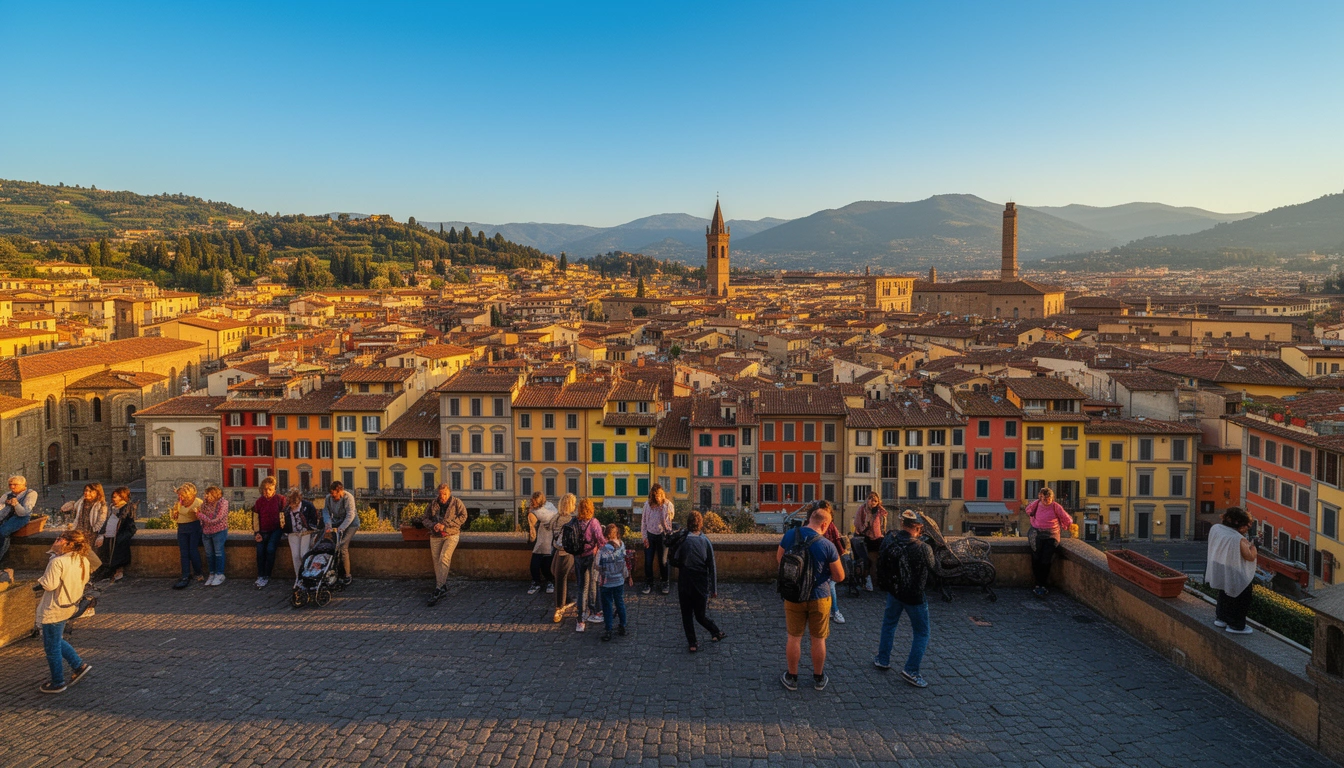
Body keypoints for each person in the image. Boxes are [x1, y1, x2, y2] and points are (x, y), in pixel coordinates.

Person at [777, 501, 844, 691]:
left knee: (794, 637)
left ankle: (792, 677)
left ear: (809, 519)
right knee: (818, 639)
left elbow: (779, 560)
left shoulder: (790, 535)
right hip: (819, 597)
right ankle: (818, 677)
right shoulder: (827, 545)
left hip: (793, 595)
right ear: (824, 525)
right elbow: (840, 576)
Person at [873, 509, 937, 688]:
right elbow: (934, 568)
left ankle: (883, 659)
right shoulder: (923, 548)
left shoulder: (890, 539)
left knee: (889, 624)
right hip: (914, 596)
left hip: (894, 591)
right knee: (922, 633)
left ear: (903, 524)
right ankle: (911, 670)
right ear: (919, 528)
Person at [35, 530, 94, 693]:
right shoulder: (82, 560)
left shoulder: (57, 562)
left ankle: (58, 682)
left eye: (60, 539)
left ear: (68, 543)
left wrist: (40, 580)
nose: (56, 540)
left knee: (51, 647)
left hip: (54, 608)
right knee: (55, 640)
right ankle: (78, 665)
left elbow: (49, 585)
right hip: (69, 606)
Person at [677, 510, 725, 652]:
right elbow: (712, 567)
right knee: (700, 615)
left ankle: (692, 642)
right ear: (701, 524)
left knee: (686, 615)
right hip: (700, 582)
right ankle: (715, 631)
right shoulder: (705, 541)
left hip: (684, 581)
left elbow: (676, 559)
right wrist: (713, 588)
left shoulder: (683, 541)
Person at [1206, 507, 1259, 635]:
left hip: (1220, 568)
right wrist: (1254, 547)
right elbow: (1249, 557)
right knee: (1240, 599)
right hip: (1236, 572)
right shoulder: (1238, 539)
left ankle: (1221, 618)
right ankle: (1236, 625)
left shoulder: (1216, 528)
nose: (1248, 528)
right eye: (1247, 525)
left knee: (1224, 594)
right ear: (1238, 524)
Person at [422, 483, 468, 606]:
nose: (442, 496)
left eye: (445, 494)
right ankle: (442, 587)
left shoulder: (457, 503)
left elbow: (464, 516)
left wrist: (445, 524)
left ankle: (438, 588)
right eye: (441, 494)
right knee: (436, 562)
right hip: (435, 536)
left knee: (444, 558)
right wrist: (433, 525)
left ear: (449, 493)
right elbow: (425, 518)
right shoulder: (433, 503)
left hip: (451, 535)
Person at [1025, 487, 1073, 597]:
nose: (1046, 500)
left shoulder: (1056, 507)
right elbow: (1028, 511)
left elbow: (1068, 519)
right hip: (1037, 534)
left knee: (1046, 559)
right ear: (1040, 497)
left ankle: (1043, 584)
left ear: (1052, 498)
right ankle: (1038, 584)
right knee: (1036, 558)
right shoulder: (1036, 504)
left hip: (1052, 535)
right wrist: (1034, 521)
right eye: (1044, 498)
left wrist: (1067, 526)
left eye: (1048, 498)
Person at [572, 498, 606, 633]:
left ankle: (580, 619)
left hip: (577, 557)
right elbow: (601, 541)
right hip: (590, 556)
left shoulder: (575, 521)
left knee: (581, 588)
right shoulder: (593, 522)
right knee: (592, 584)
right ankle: (595, 612)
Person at [62, 483, 109, 574]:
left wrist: (100, 536)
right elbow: (74, 506)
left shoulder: (101, 505)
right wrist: (70, 504)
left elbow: (103, 521)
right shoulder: (81, 502)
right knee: (77, 554)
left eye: (90, 491)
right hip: (79, 533)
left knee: (89, 556)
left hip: (91, 533)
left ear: (97, 492)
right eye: (86, 490)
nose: (86, 493)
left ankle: (91, 575)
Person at [280, 489, 322, 587]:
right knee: (295, 556)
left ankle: (306, 575)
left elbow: (314, 521)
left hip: (306, 532)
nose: (292, 506)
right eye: (290, 504)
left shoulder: (308, 506)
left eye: (294, 504)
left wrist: (310, 527)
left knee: (304, 554)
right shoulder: (286, 509)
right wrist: (284, 527)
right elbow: (284, 524)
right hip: (293, 533)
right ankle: (298, 578)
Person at [639, 483, 675, 595]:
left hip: (662, 535)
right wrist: (644, 537)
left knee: (663, 561)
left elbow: (668, 526)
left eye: (658, 496)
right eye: (654, 497)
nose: (656, 499)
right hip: (650, 534)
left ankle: (665, 581)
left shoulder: (668, 505)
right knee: (648, 561)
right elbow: (643, 522)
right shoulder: (647, 505)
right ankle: (649, 582)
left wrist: (663, 511)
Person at [322, 481, 359, 586]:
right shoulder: (328, 498)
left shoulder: (348, 498)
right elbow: (325, 511)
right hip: (337, 522)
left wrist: (341, 528)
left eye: (335, 496)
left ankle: (347, 575)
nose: (334, 498)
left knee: (342, 546)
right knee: (331, 545)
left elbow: (350, 515)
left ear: (341, 492)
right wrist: (328, 524)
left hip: (351, 524)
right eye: (332, 496)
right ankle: (334, 572)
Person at [251, 477, 285, 589]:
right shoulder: (259, 502)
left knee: (270, 550)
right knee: (260, 553)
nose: (267, 492)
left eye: (270, 489)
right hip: (262, 531)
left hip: (276, 530)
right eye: (265, 489)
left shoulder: (280, 499)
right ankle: (261, 575)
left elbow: (285, 515)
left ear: (274, 489)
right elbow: (255, 518)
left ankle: (267, 575)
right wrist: (257, 533)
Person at [97, 486, 137, 583]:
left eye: (115, 497)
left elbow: (125, 519)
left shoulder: (128, 506)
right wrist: (101, 534)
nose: (113, 499)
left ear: (122, 497)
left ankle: (119, 571)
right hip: (110, 533)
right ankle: (110, 571)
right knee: (108, 551)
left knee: (119, 550)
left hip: (122, 532)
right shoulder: (112, 507)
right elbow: (107, 520)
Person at [170, 483, 205, 590]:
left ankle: (198, 573)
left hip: (193, 527)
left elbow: (202, 517)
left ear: (189, 495)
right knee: (184, 552)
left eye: (182, 495)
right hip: (182, 528)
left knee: (192, 550)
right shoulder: (180, 502)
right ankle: (185, 574)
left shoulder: (197, 502)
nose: (180, 497)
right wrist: (174, 514)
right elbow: (175, 515)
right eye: (179, 495)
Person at [597, 523, 628, 641]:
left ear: (605, 535)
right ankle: (623, 626)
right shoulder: (622, 545)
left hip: (607, 582)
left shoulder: (603, 549)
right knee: (620, 602)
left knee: (607, 605)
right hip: (619, 580)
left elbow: (597, 565)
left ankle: (608, 629)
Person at [0, 475, 38, 568]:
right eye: (10, 485)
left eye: (15, 485)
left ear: (23, 485)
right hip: (6, 516)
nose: (12, 487)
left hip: (20, 517)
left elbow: (24, 512)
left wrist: (16, 504)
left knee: (3, 532)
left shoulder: (30, 494)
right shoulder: (7, 495)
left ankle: (2, 558)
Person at [551, 494, 578, 622]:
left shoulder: (556, 517)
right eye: (573, 503)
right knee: (560, 577)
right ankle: (559, 608)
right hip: (566, 552)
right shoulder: (570, 520)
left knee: (557, 575)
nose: (575, 506)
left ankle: (564, 601)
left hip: (559, 550)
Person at [526, 492, 558, 595]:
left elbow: (552, 517)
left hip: (549, 540)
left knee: (547, 565)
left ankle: (549, 582)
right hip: (540, 541)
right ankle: (537, 582)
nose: (532, 503)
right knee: (534, 565)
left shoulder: (547, 508)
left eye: (534, 502)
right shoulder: (543, 509)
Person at [198, 485, 230, 586]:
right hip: (206, 532)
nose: (206, 496)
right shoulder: (205, 504)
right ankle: (212, 574)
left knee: (218, 553)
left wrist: (200, 515)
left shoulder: (223, 503)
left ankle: (219, 574)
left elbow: (216, 519)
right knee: (209, 554)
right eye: (206, 494)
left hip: (219, 531)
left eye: (209, 494)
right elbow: (202, 516)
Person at [853, 492, 886, 590]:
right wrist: (867, 520)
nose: (873, 502)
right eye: (870, 499)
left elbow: (882, 524)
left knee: (875, 560)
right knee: (867, 561)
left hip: (878, 537)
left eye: (875, 500)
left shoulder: (879, 511)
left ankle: (874, 581)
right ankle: (867, 581)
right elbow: (858, 525)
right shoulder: (862, 510)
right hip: (864, 537)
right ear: (867, 499)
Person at [821, 517, 847, 625]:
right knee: (830, 584)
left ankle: (834, 610)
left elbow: (837, 541)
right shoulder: (811, 525)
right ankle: (834, 611)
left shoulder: (831, 526)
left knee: (831, 584)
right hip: (820, 562)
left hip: (829, 561)